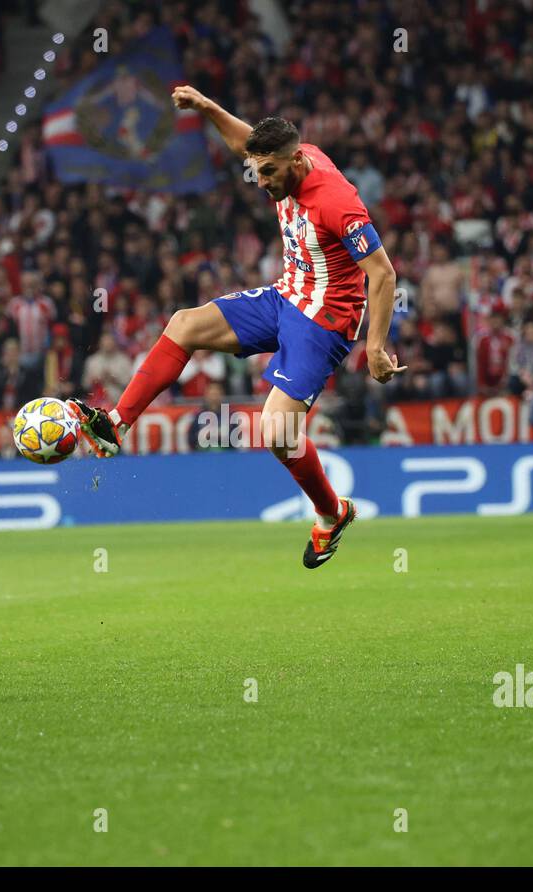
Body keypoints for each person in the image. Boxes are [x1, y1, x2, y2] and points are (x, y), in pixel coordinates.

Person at [69, 89, 404, 568]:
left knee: (276, 429)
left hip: (325, 321)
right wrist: (206, 107)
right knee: (183, 324)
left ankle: (331, 514)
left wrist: (375, 346)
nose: (261, 181)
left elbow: (383, 272)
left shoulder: (337, 201)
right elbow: (247, 143)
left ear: (296, 163)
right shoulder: (283, 159)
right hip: (287, 296)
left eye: (269, 172)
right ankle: (114, 425)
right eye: (257, 170)